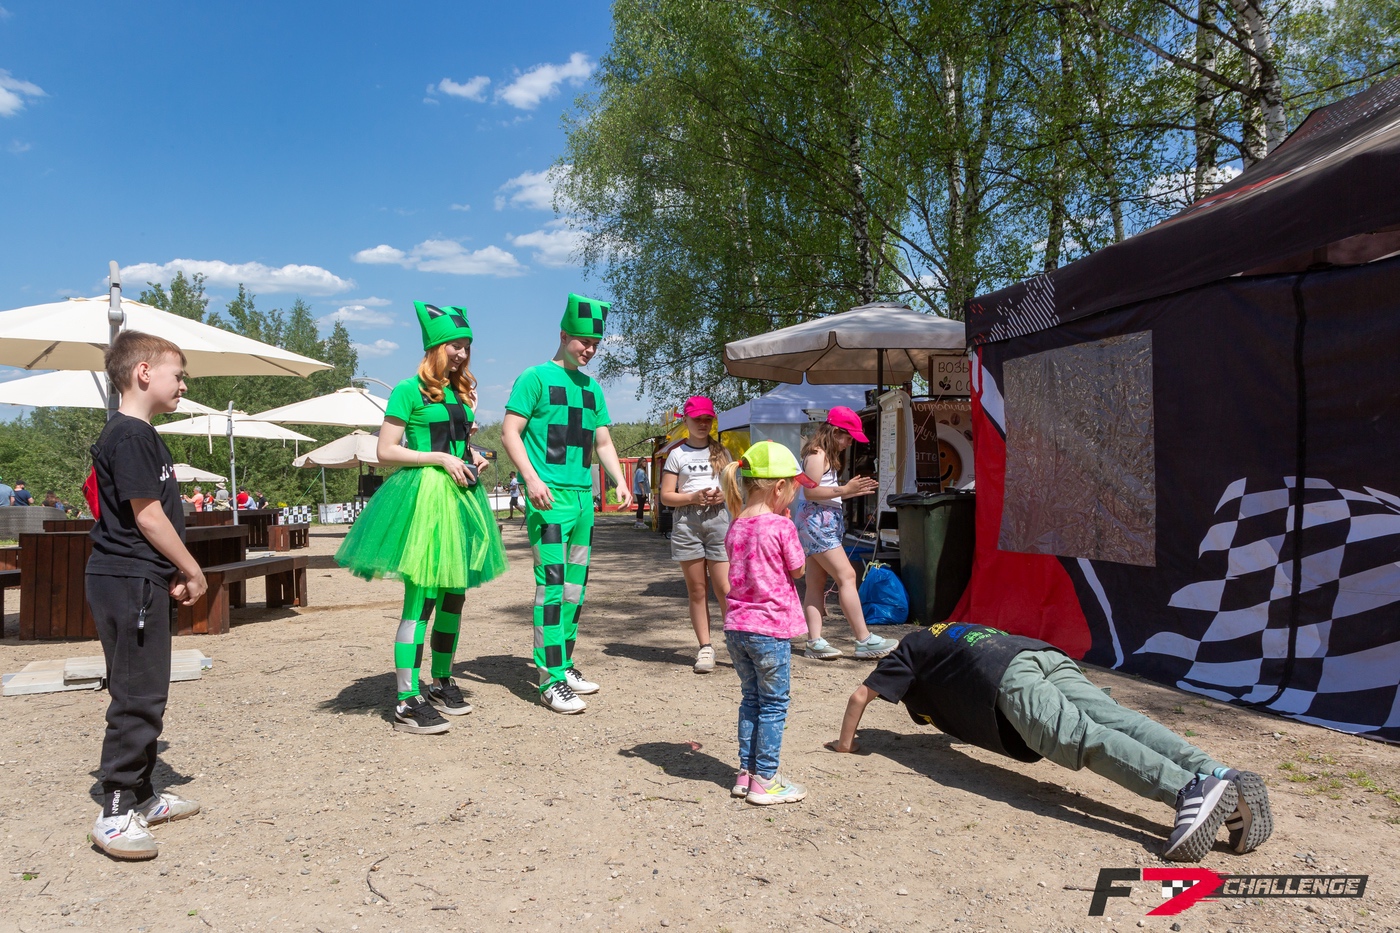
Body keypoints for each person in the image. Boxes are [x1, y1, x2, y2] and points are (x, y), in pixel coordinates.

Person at [827, 623, 1275, 863]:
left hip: (1006, 676)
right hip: (1038, 654)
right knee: (1120, 719)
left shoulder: (905, 651)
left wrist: (846, 745)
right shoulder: (941, 632)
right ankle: (1218, 775)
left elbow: (859, 696)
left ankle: (1187, 790)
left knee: (1081, 738)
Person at [337, 302, 507, 734]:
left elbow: (457, 444)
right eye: (454, 345)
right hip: (425, 497)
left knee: (455, 595)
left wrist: (472, 456)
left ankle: (441, 680)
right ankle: (406, 699)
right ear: (434, 346)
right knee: (421, 598)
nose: (462, 354)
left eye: (466, 346)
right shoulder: (407, 390)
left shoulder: (462, 392)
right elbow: (385, 451)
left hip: (461, 498)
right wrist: (440, 459)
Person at [85, 330, 208, 861]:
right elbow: (148, 516)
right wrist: (192, 568)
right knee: (137, 695)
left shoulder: (140, 434)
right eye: (177, 375)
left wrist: (169, 569)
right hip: (127, 579)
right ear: (143, 373)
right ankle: (115, 812)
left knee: (147, 687)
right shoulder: (131, 435)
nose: (183, 385)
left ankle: (142, 796)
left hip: (139, 578)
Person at [501, 293, 633, 714]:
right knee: (553, 587)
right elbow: (509, 432)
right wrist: (531, 479)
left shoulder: (592, 389)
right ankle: (549, 679)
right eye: (582, 341)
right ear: (563, 335)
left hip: (582, 501)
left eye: (594, 344)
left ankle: (564, 663)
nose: (589, 350)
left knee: (575, 589)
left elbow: (603, 441)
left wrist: (619, 480)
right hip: (549, 499)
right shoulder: (534, 378)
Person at [717, 440, 815, 804]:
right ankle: (766, 780)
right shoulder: (780, 526)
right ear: (779, 487)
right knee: (774, 704)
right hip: (770, 630)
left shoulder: (735, 524)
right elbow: (798, 569)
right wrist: (788, 527)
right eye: (793, 490)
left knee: (751, 699)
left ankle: (746, 773)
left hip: (737, 628)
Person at [795, 407, 897, 661]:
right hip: (817, 524)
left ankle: (814, 641)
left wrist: (850, 491)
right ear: (835, 432)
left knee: (816, 583)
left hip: (819, 523)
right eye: (848, 437)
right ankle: (863, 639)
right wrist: (845, 489)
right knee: (847, 576)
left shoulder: (823, 455)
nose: (850, 443)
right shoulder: (817, 454)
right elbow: (810, 492)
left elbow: (823, 491)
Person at [660, 396, 733, 673]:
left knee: (725, 588)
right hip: (687, 523)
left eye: (707, 419)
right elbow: (666, 496)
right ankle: (705, 647)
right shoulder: (676, 454)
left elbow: (735, 490)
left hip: (719, 520)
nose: (703, 424)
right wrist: (692, 496)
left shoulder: (722, 453)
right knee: (697, 589)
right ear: (686, 421)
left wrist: (722, 496)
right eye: (697, 419)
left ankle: (736, 643)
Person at [632, 459, 650, 528]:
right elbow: (640, 482)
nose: (645, 463)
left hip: (638, 491)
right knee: (641, 507)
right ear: (640, 463)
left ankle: (638, 522)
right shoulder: (641, 472)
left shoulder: (638, 471)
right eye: (643, 461)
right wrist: (643, 492)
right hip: (640, 492)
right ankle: (641, 522)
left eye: (645, 461)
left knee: (640, 506)